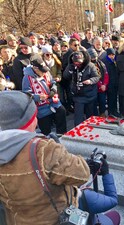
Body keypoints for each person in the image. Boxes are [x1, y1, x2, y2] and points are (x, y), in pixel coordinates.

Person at [0, 91, 90, 225]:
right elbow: (82, 174)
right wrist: (60, 150)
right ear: (28, 122)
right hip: (52, 219)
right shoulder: (44, 150)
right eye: (34, 117)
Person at [22, 55, 67, 136]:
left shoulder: (46, 72)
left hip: (53, 101)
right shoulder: (27, 78)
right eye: (42, 71)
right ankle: (47, 142)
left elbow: (53, 82)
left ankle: (62, 135)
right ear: (35, 69)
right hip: (41, 107)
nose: (45, 73)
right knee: (46, 128)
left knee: (62, 111)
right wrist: (38, 97)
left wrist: (53, 89)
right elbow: (27, 95)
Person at [63, 51, 100, 126]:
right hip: (78, 95)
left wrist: (90, 81)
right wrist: (70, 69)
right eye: (75, 62)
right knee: (78, 116)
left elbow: (97, 77)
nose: (77, 64)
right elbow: (65, 76)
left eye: (79, 62)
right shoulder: (71, 66)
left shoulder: (90, 66)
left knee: (90, 115)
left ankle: (90, 128)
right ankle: (77, 129)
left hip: (89, 94)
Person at [102, 48, 120, 117]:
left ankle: (114, 110)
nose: (112, 56)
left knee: (114, 98)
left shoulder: (114, 61)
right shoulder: (105, 62)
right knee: (110, 98)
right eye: (110, 55)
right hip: (109, 83)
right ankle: (111, 111)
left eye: (113, 55)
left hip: (114, 82)